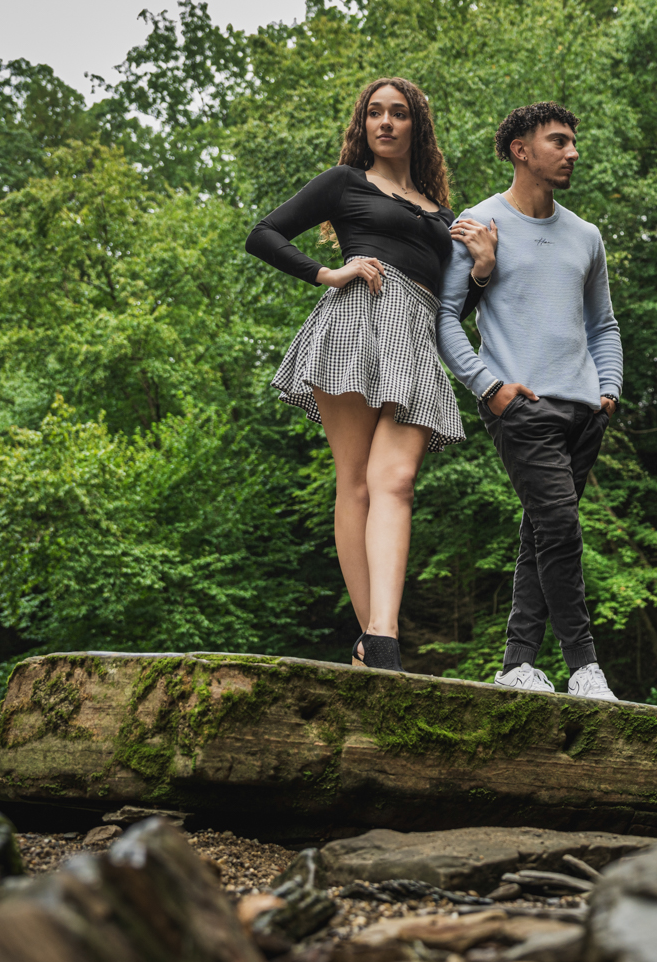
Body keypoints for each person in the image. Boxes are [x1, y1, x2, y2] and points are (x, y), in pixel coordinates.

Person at [246, 76, 499, 672]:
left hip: (415, 339)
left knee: (398, 481)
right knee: (355, 480)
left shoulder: (446, 216)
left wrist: (483, 270)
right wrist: (327, 273)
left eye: (399, 113)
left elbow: (451, 310)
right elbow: (263, 234)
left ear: (418, 126)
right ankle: (378, 639)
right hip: (356, 324)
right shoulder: (345, 183)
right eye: (374, 114)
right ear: (363, 126)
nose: (385, 122)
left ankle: (377, 639)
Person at [436, 102, 623, 701]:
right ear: (521, 149)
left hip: (585, 412)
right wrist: (488, 389)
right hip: (523, 409)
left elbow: (604, 326)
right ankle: (583, 666)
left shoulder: (586, 236)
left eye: (574, 142)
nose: (573, 153)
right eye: (559, 141)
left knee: (542, 532)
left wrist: (608, 388)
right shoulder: (478, 224)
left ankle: (518, 662)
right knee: (561, 529)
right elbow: (444, 319)